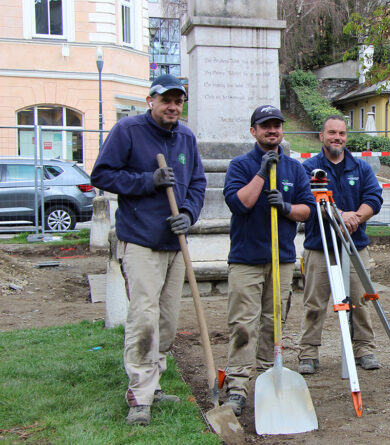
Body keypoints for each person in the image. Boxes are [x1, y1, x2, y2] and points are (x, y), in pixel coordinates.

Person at [90, 74, 206, 426]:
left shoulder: (186, 137)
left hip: (175, 243)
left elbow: (197, 184)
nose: (173, 106)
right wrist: (147, 181)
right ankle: (139, 395)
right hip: (140, 241)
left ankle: (154, 383)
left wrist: (188, 214)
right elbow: (102, 175)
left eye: (178, 101)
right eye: (166, 100)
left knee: (167, 321)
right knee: (144, 316)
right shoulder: (128, 131)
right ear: (150, 101)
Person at [220, 105, 315, 416]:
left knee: (274, 323)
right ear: (254, 131)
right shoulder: (240, 165)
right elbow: (240, 204)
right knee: (243, 325)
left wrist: (286, 207)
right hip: (246, 259)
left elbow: (307, 210)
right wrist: (262, 172)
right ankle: (237, 386)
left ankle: (265, 378)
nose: (272, 130)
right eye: (265, 126)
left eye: (276, 125)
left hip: (282, 259)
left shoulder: (295, 169)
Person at [298, 115, 383, 375]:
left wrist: (356, 217)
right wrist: (340, 215)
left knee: (360, 300)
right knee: (315, 302)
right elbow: (309, 202)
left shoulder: (360, 168)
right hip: (320, 248)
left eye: (342, 133)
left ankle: (364, 349)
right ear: (321, 136)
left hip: (355, 246)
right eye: (332, 133)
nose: (338, 138)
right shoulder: (308, 168)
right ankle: (309, 352)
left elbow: (374, 198)